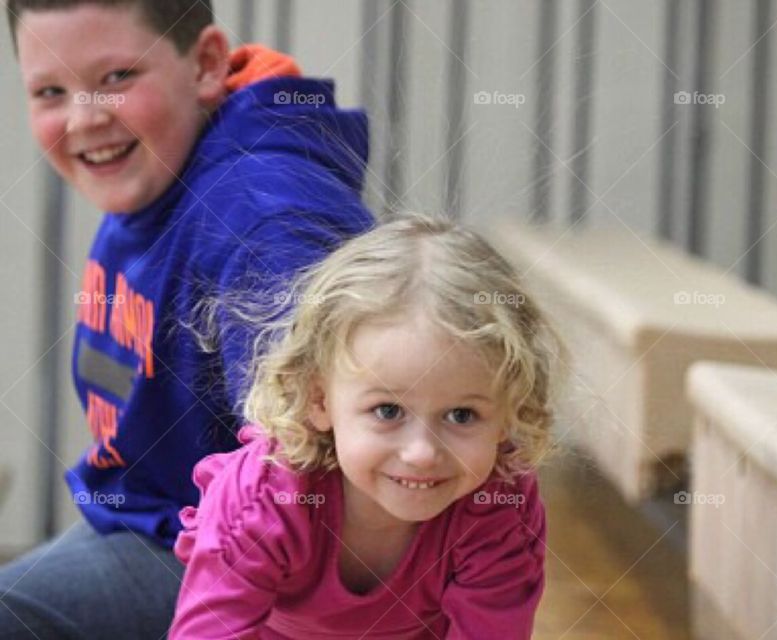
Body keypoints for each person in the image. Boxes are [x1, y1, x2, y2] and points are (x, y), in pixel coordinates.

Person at [1, 1, 374, 637]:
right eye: (51, 91)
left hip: (247, 567)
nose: (86, 118)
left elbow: (324, 466)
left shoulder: (261, 220)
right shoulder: (158, 161)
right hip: (158, 517)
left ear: (204, 64)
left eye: (118, 77)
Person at [169, 213, 567, 639]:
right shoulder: (265, 501)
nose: (422, 452)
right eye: (388, 411)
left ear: (508, 414)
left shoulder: (496, 505)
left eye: (461, 416)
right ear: (319, 399)